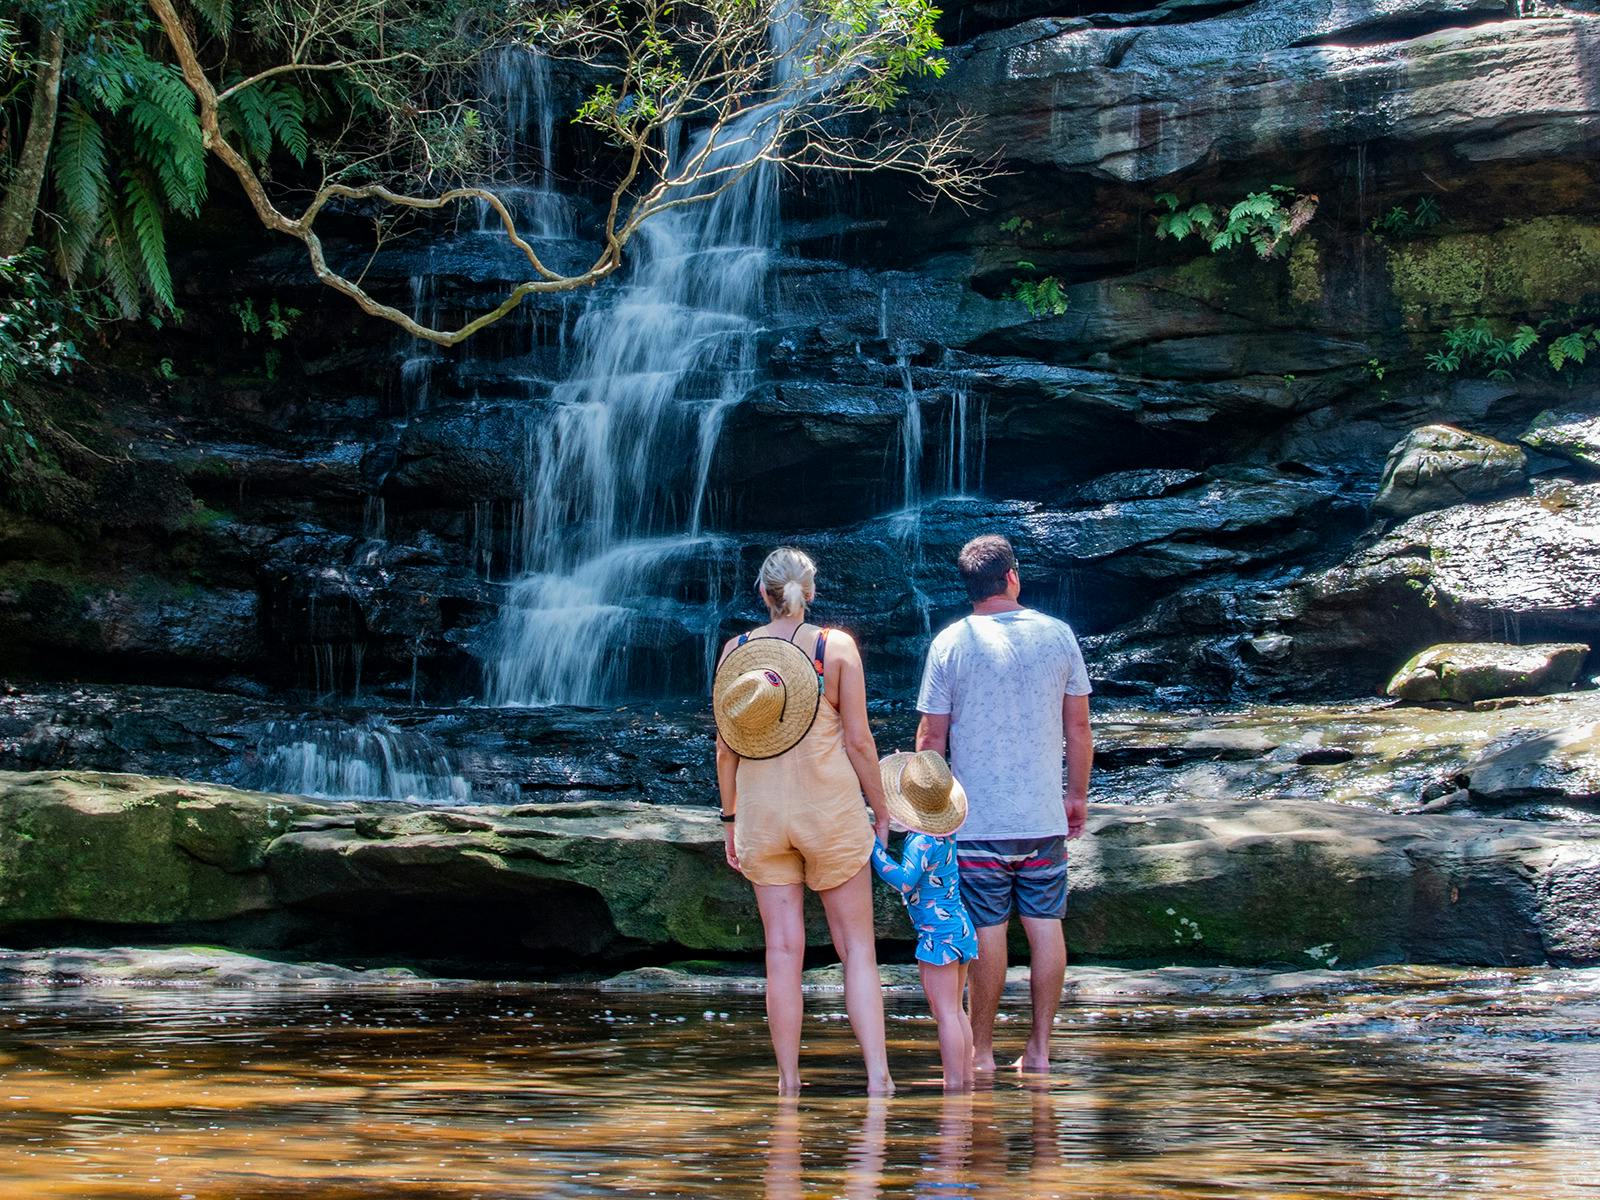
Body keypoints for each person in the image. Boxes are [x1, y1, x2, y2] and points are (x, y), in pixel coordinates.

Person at [713, 546, 894, 1096]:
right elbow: (860, 742)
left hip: (764, 817)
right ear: (809, 592)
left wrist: (729, 821)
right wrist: (883, 811)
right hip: (829, 812)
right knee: (857, 950)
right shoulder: (833, 647)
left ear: (761, 594)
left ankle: (789, 1085)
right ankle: (879, 1081)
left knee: (782, 953)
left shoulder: (736, 652)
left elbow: (726, 748)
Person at [915, 534, 1094, 1074]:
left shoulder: (951, 641)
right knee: (1045, 927)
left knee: (987, 931)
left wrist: (931, 814)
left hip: (975, 825)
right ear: (1012, 577)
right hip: (1041, 820)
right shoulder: (1059, 635)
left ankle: (982, 1051)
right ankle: (1039, 1050)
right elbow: (1079, 728)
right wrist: (1077, 795)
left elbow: (929, 740)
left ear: (970, 587)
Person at [870, 749, 978, 1092]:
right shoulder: (946, 834)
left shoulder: (920, 841)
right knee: (957, 1010)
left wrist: (872, 848)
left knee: (945, 1012)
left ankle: (953, 1085)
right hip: (961, 928)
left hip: (937, 935)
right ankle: (965, 1080)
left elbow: (903, 879)